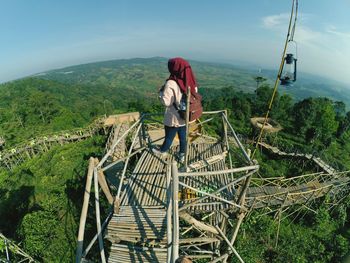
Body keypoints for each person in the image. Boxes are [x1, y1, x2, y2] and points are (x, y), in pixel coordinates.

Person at [152, 57, 199, 162]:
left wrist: (160, 93)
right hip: (185, 116)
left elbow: (166, 102)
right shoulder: (191, 80)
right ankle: (182, 154)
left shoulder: (171, 83)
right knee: (183, 137)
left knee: (169, 137)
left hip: (173, 117)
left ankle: (163, 151)